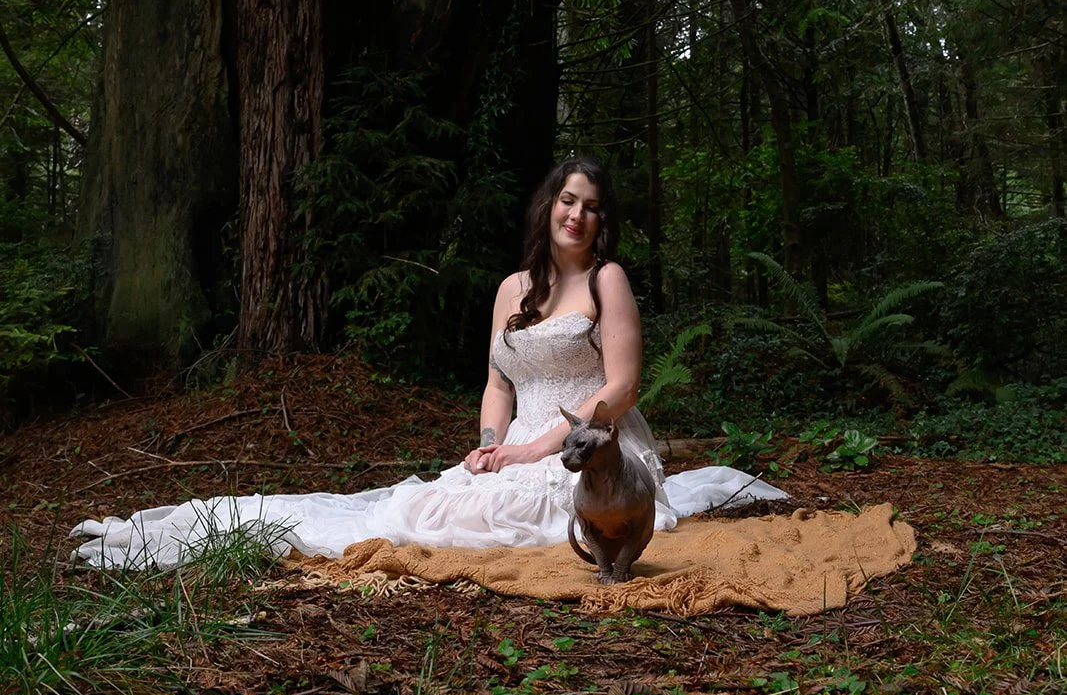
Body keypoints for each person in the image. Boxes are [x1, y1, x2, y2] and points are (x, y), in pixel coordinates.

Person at [72, 157, 785, 569]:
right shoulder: (512, 288)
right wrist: (486, 447)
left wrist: (539, 448)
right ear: (548, 206)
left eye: (592, 207)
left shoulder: (607, 280)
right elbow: (497, 380)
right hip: (516, 442)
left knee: (500, 516)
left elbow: (623, 385)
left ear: (603, 220)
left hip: (591, 447)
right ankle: (177, 530)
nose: (577, 215)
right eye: (568, 200)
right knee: (429, 503)